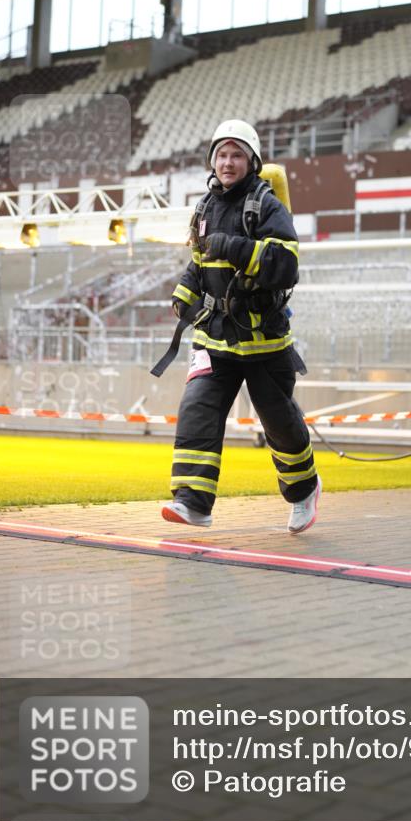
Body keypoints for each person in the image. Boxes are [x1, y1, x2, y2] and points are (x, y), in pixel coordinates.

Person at [160, 119, 321, 534]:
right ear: (212, 161)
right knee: (197, 410)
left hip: (264, 342)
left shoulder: (267, 206)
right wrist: (184, 292)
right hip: (214, 338)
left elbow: (286, 267)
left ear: (252, 161)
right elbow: (198, 263)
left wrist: (235, 247)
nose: (228, 162)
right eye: (221, 155)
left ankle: (303, 490)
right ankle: (192, 503)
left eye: (236, 155)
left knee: (279, 421)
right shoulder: (204, 208)